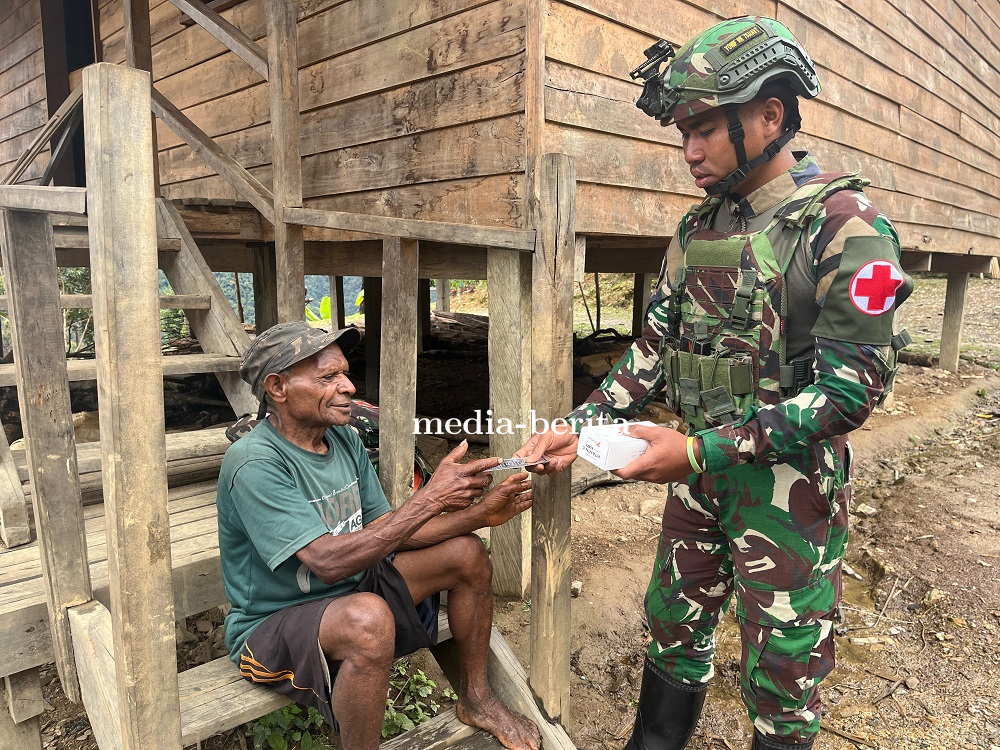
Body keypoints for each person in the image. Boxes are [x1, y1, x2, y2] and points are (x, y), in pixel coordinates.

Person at [516, 16, 912, 750]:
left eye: (704, 129)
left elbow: (850, 393)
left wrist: (695, 454)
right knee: (671, 627)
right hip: (699, 483)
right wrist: (583, 423)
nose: (689, 151)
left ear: (770, 114)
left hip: (787, 496)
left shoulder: (850, 226)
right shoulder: (698, 228)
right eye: (682, 133)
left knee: (783, 679)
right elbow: (654, 348)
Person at [218, 321, 542, 750]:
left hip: (353, 590)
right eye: (329, 377)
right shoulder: (254, 462)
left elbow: (384, 532)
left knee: (466, 554)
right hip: (273, 624)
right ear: (277, 387)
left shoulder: (343, 440)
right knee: (367, 619)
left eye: (345, 374)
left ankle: (476, 698)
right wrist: (430, 499)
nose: (349, 387)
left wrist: (477, 516)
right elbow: (327, 561)